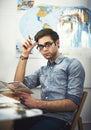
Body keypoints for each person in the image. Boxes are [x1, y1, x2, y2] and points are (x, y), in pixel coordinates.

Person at [14, 28, 85, 130]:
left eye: (47, 44)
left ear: (57, 43)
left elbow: (72, 104)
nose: (44, 49)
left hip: (60, 118)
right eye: (40, 46)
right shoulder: (42, 70)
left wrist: (36, 103)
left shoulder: (73, 64)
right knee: (14, 123)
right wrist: (24, 55)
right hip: (40, 114)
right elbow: (18, 85)